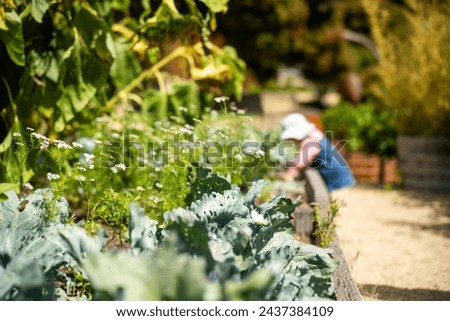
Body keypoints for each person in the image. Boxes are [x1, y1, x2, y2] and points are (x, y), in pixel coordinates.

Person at [278, 113, 355, 192]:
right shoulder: (315, 134)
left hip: (336, 179)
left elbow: (302, 159)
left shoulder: (311, 140)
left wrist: (291, 173)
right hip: (339, 176)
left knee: (340, 201)